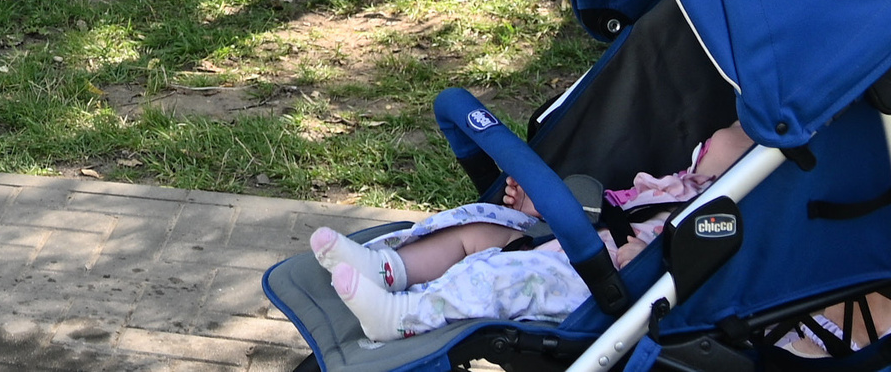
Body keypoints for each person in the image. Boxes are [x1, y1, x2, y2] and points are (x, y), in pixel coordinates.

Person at [311, 125, 756, 340]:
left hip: (600, 282)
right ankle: (389, 267)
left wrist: (642, 257)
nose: (733, 128)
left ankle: (402, 318)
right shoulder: (680, 186)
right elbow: (608, 206)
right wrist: (543, 208)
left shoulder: (721, 223)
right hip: (577, 237)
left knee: (502, 278)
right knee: (479, 225)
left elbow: (684, 266)